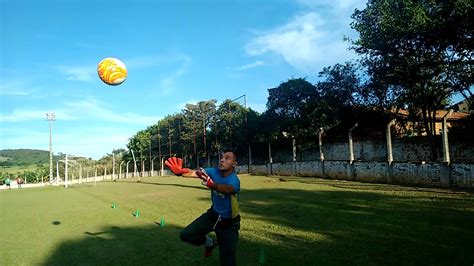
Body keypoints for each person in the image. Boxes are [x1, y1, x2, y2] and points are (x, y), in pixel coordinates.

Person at [165, 148, 241, 266]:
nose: (222, 160)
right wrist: (180, 172)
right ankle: (210, 243)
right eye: (221, 157)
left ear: (234, 164)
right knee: (186, 235)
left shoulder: (234, 179)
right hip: (212, 215)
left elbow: (229, 189)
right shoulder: (213, 171)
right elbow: (193, 173)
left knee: (228, 262)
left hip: (229, 223)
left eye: (227, 158)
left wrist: (214, 185)